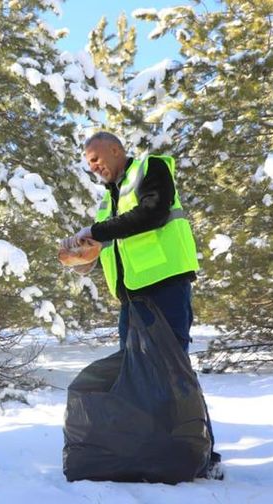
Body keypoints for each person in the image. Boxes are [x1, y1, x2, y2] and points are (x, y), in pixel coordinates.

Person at [60, 131, 223, 480]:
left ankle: (199, 453)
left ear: (116, 150)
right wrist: (83, 257)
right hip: (132, 298)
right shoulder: (109, 200)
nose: (94, 168)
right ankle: (151, 448)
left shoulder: (151, 169)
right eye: (89, 164)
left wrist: (97, 231)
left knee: (173, 369)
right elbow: (112, 245)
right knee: (138, 373)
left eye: (96, 159)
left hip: (164, 288)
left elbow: (153, 213)